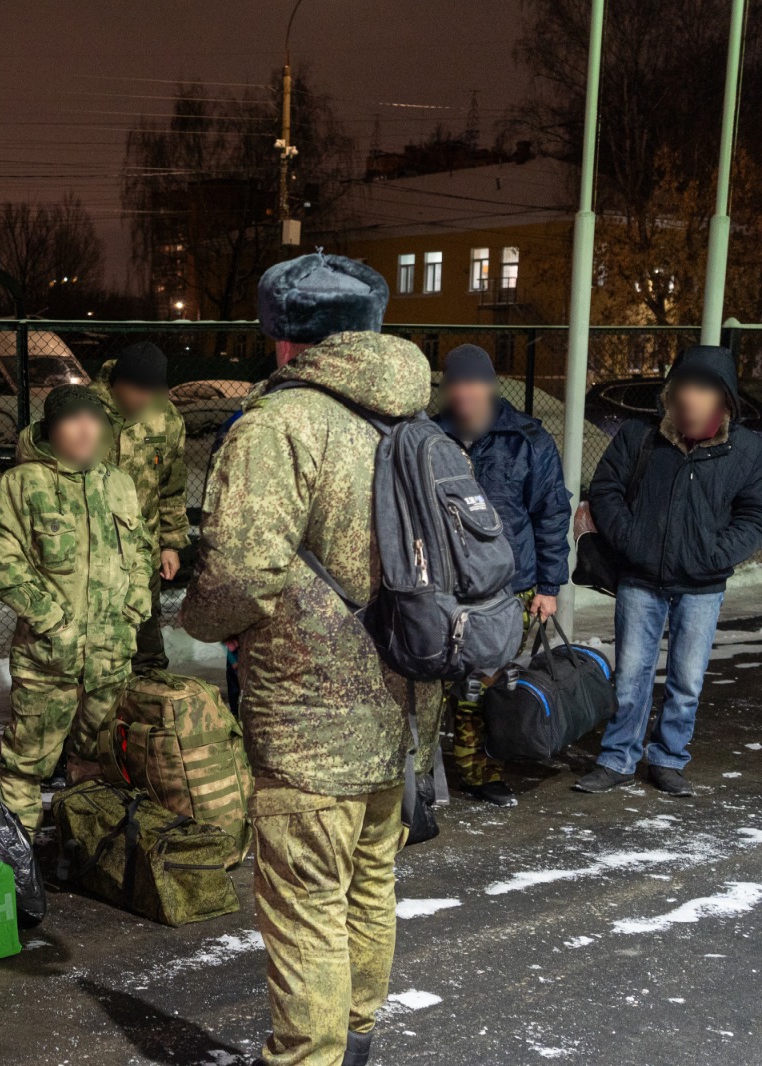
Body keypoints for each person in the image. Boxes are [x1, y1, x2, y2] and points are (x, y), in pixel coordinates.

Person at [181, 253, 434, 1066]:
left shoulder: (280, 424)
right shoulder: (411, 418)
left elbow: (240, 575)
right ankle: (355, 1042)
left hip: (308, 717)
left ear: (285, 338)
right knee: (368, 885)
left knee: (306, 908)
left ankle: (307, 1060)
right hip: (401, 697)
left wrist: (197, 615)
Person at [574, 345, 762, 797]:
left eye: (702, 393)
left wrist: (715, 555)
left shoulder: (748, 449)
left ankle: (668, 758)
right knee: (632, 674)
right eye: (682, 393)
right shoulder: (640, 435)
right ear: (671, 395)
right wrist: (633, 541)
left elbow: (754, 516)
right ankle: (618, 757)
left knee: (687, 679)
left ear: (724, 401)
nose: (689, 405)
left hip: (703, 586)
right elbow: (605, 490)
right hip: (641, 579)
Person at [0, 384, 153, 832]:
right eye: (72, 419)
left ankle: (87, 849)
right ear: (50, 429)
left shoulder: (120, 485)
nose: (84, 429)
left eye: (92, 419)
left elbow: (139, 550)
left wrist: (136, 602)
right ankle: (17, 865)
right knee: (25, 766)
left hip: (110, 660)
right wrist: (50, 619)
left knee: (98, 761)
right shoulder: (22, 484)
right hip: (49, 660)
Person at [433, 344, 571, 807]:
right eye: (457, 384)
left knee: (493, 688)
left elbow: (551, 513)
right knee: (456, 689)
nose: (465, 393)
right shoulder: (430, 437)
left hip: (514, 588)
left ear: (491, 385)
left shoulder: (528, 439)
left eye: (474, 383)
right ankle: (459, 773)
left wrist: (550, 588)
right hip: (450, 588)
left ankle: (489, 769)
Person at [91, 341, 188, 670]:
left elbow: (172, 487)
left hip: (142, 559)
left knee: (146, 654)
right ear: (116, 382)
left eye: (152, 390)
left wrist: (171, 543)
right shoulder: (82, 411)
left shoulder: (167, 419)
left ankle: (147, 713)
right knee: (94, 657)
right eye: (136, 389)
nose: (143, 399)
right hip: (89, 560)